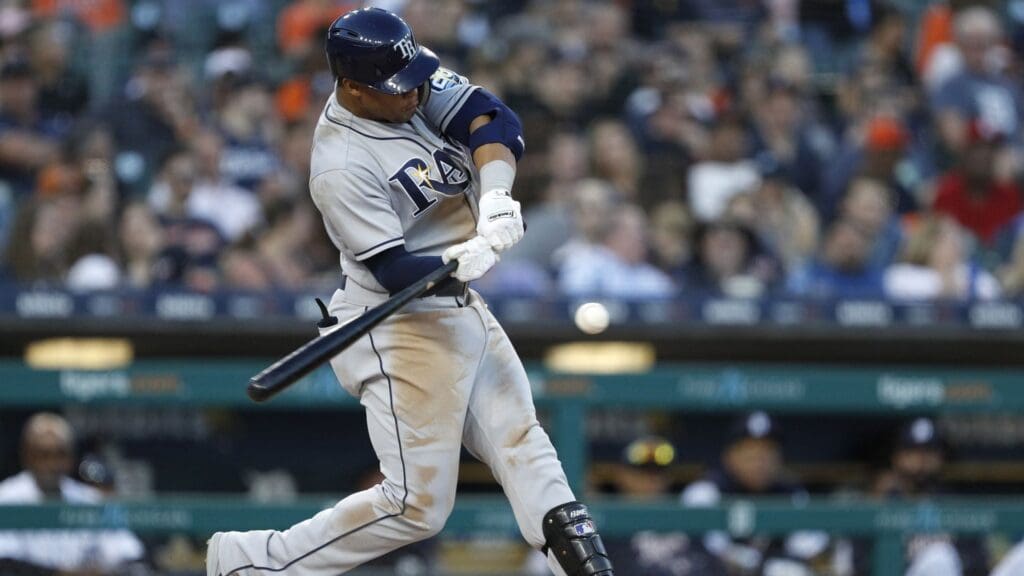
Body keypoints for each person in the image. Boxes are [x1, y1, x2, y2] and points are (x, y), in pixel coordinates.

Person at [206, 8, 614, 576]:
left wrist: (495, 196)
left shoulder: (409, 83)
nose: (415, 94)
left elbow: (493, 117)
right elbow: (395, 269)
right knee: (416, 506)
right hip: (396, 323)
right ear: (352, 87)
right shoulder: (340, 164)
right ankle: (250, 564)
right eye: (397, 89)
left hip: (458, 303)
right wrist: (456, 262)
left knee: (523, 441)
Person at [681, 412, 829, 576]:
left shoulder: (793, 495)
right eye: (749, 452)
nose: (759, 461)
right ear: (729, 456)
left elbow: (810, 551)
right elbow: (709, 552)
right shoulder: (705, 492)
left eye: (767, 452)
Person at [0, 412, 146, 575]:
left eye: (59, 454)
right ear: (27, 456)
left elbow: (129, 555)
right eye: (43, 454)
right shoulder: (6, 498)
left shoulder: (90, 500)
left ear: (71, 457)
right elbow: (5, 562)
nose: (51, 464)